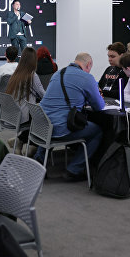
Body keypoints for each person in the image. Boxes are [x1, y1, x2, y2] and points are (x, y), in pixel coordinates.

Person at [37, 53, 104, 182]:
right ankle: (74, 169)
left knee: (51, 121)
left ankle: (39, 161)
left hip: (42, 126)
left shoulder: (58, 73)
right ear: (88, 65)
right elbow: (99, 106)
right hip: (62, 129)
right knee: (97, 131)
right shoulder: (87, 78)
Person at [5, 47, 45, 156]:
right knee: (44, 119)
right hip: (23, 115)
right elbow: (43, 95)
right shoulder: (32, 75)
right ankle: (32, 146)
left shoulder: (16, 74)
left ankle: (19, 140)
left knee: (37, 115)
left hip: (12, 114)